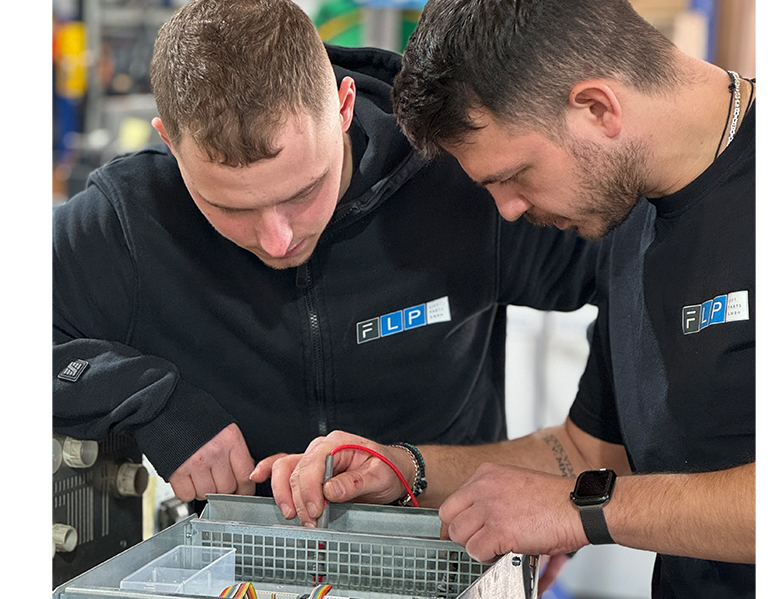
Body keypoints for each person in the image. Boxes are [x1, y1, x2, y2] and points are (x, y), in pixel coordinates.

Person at [255, 1, 755, 597]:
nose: (509, 210)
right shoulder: (628, 216)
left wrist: (580, 512)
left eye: (513, 175)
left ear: (597, 107)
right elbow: (588, 454)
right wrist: (407, 468)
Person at [52, 0, 598, 506]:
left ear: (343, 105)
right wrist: (153, 403)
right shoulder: (129, 221)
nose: (278, 239)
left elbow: (632, 274)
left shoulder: (457, 173)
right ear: (170, 143)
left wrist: (581, 479)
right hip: (241, 568)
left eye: (303, 193)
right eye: (231, 208)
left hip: (456, 547)